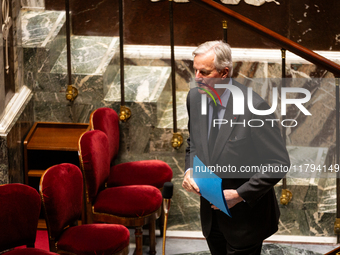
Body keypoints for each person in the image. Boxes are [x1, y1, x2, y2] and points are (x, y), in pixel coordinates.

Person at [182, 40, 290, 255]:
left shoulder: (255, 107)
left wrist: (240, 194)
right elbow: (193, 143)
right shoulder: (194, 98)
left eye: (204, 72)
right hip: (211, 217)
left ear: (224, 73)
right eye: (195, 70)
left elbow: (278, 163)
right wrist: (189, 170)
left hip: (245, 220)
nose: (197, 78)